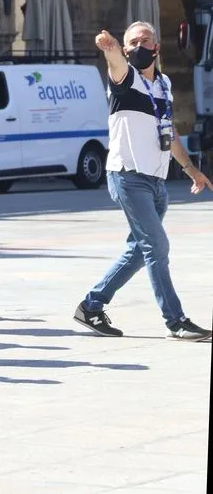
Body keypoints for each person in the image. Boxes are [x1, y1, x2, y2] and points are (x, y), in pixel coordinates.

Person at [73, 24, 212, 341]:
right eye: (132, 42)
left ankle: (91, 306)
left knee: (139, 250)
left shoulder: (163, 84)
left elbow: (169, 131)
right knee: (157, 246)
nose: (138, 46)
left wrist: (191, 170)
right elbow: (116, 64)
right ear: (125, 49)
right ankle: (176, 321)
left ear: (157, 47)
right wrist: (108, 49)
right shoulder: (125, 78)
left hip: (156, 181)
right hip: (127, 175)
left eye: (144, 41)